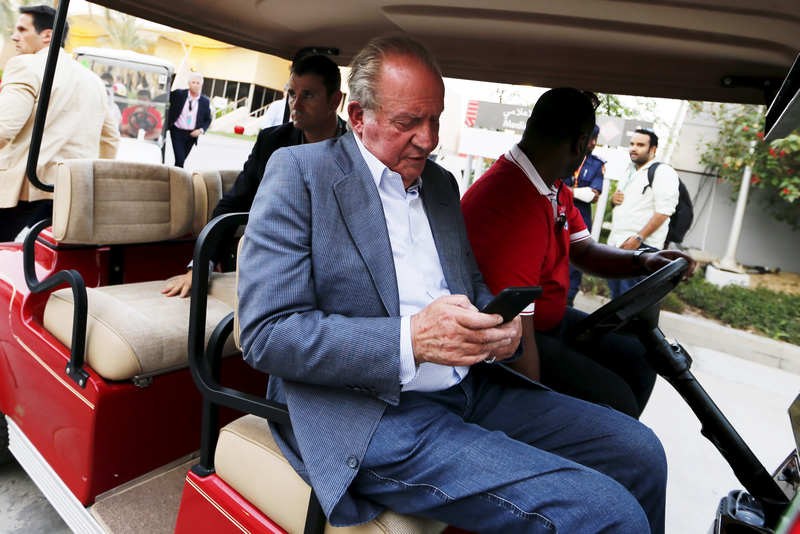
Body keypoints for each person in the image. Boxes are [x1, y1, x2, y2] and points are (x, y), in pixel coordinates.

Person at [238, 36, 668, 533]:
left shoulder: (439, 185)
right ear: (358, 117)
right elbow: (267, 334)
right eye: (407, 123)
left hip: (471, 387)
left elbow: (471, 287)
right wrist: (411, 340)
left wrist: (498, 326)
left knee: (640, 452)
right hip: (373, 415)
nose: (428, 139)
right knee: (606, 514)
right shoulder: (299, 173)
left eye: (435, 119)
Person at [461, 88, 695, 418]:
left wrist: (644, 260)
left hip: (548, 320)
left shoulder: (551, 186)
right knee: (616, 403)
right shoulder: (510, 202)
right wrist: (535, 412)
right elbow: (515, 333)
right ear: (580, 143)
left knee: (639, 357)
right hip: (510, 341)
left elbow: (583, 250)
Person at [162, 54, 345, 297]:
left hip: (338, 268)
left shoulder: (356, 150)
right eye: (292, 94)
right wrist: (201, 266)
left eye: (308, 95)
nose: (296, 105)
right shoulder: (272, 142)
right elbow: (235, 201)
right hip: (278, 264)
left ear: (335, 100)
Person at [0, 5, 119, 242]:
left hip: (21, 195)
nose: (15, 36)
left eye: (22, 29)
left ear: (47, 35)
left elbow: (3, 128)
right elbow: (110, 140)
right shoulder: (93, 81)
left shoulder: (25, 65)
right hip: (70, 196)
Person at [607, 128, 680, 299]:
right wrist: (613, 200)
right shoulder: (629, 171)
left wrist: (639, 238)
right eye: (632, 144)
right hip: (618, 245)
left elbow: (664, 211)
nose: (634, 148)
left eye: (640, 145)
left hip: (641, 248)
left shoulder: (663, 172)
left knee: (630, 302)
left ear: (653, 149)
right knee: (616, 300)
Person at [565, 124, 604, 306]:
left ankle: (568, 302)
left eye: (596, 139)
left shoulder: (597, 164)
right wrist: (579, 192)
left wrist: (566, 191)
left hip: (580, 222)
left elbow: (592, 195)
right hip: (558, 217)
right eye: (590, 138)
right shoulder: (563, 158)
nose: (594, 143)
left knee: (575, 264)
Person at [167, 72, 212, 168]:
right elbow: (165, 96)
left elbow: (208, 119)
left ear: (201, 85)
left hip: (192, 135)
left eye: (198, 83)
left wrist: (200, 130)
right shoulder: (179, 94)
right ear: (189, 83)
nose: (195, 85)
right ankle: (179, 180)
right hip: (177, 132)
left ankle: (174, 176)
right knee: (180, 160)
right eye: (193, 82)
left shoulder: (205, 101)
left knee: (181, 160)